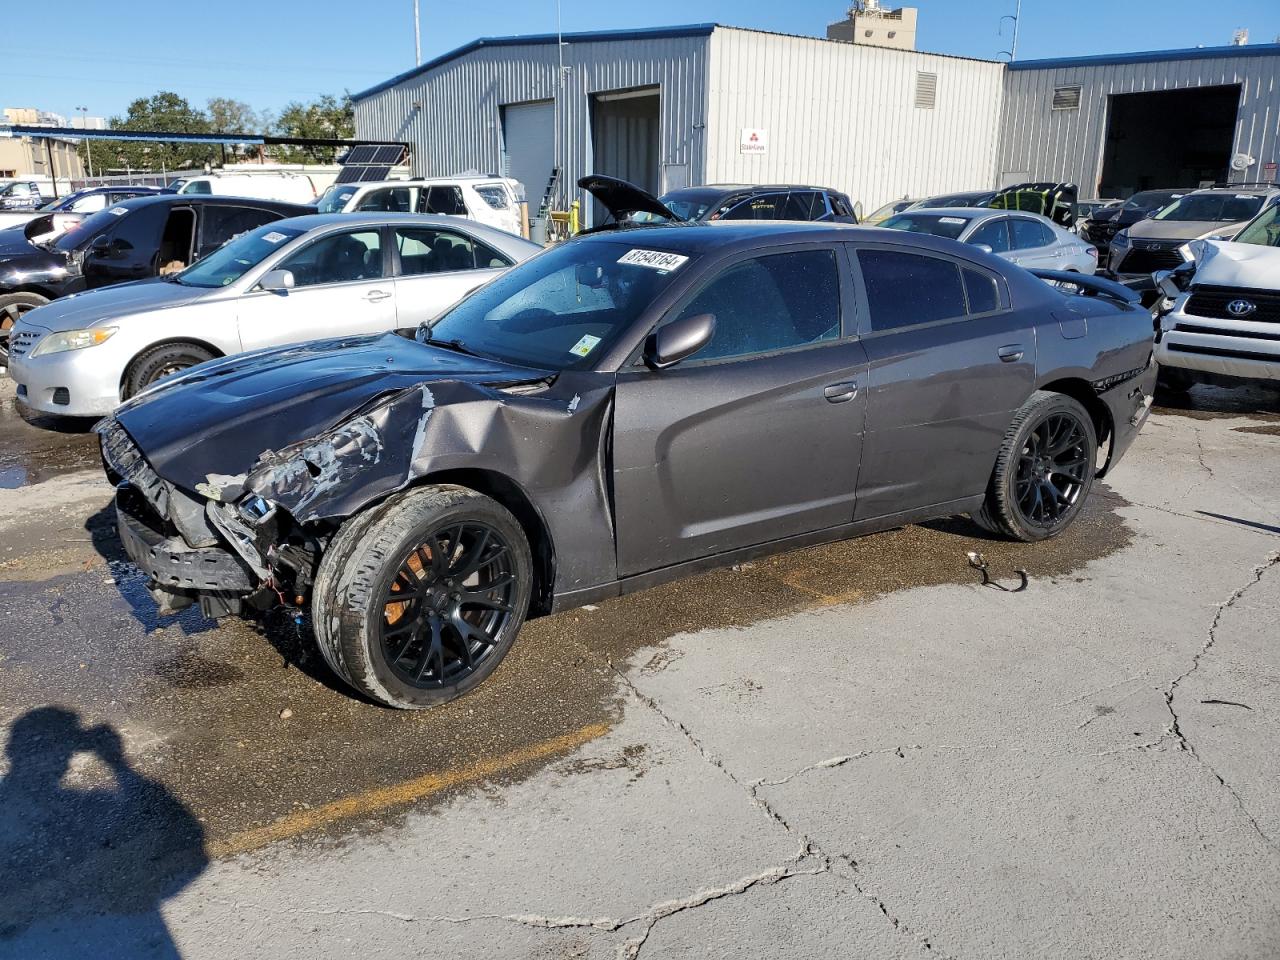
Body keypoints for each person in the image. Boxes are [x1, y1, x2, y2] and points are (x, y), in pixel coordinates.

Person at [0, 707, 207, 957]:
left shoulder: (77, 805)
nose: (58, 758)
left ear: (10, 750)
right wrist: (118, 764)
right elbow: (189, 842)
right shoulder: (92, 805)